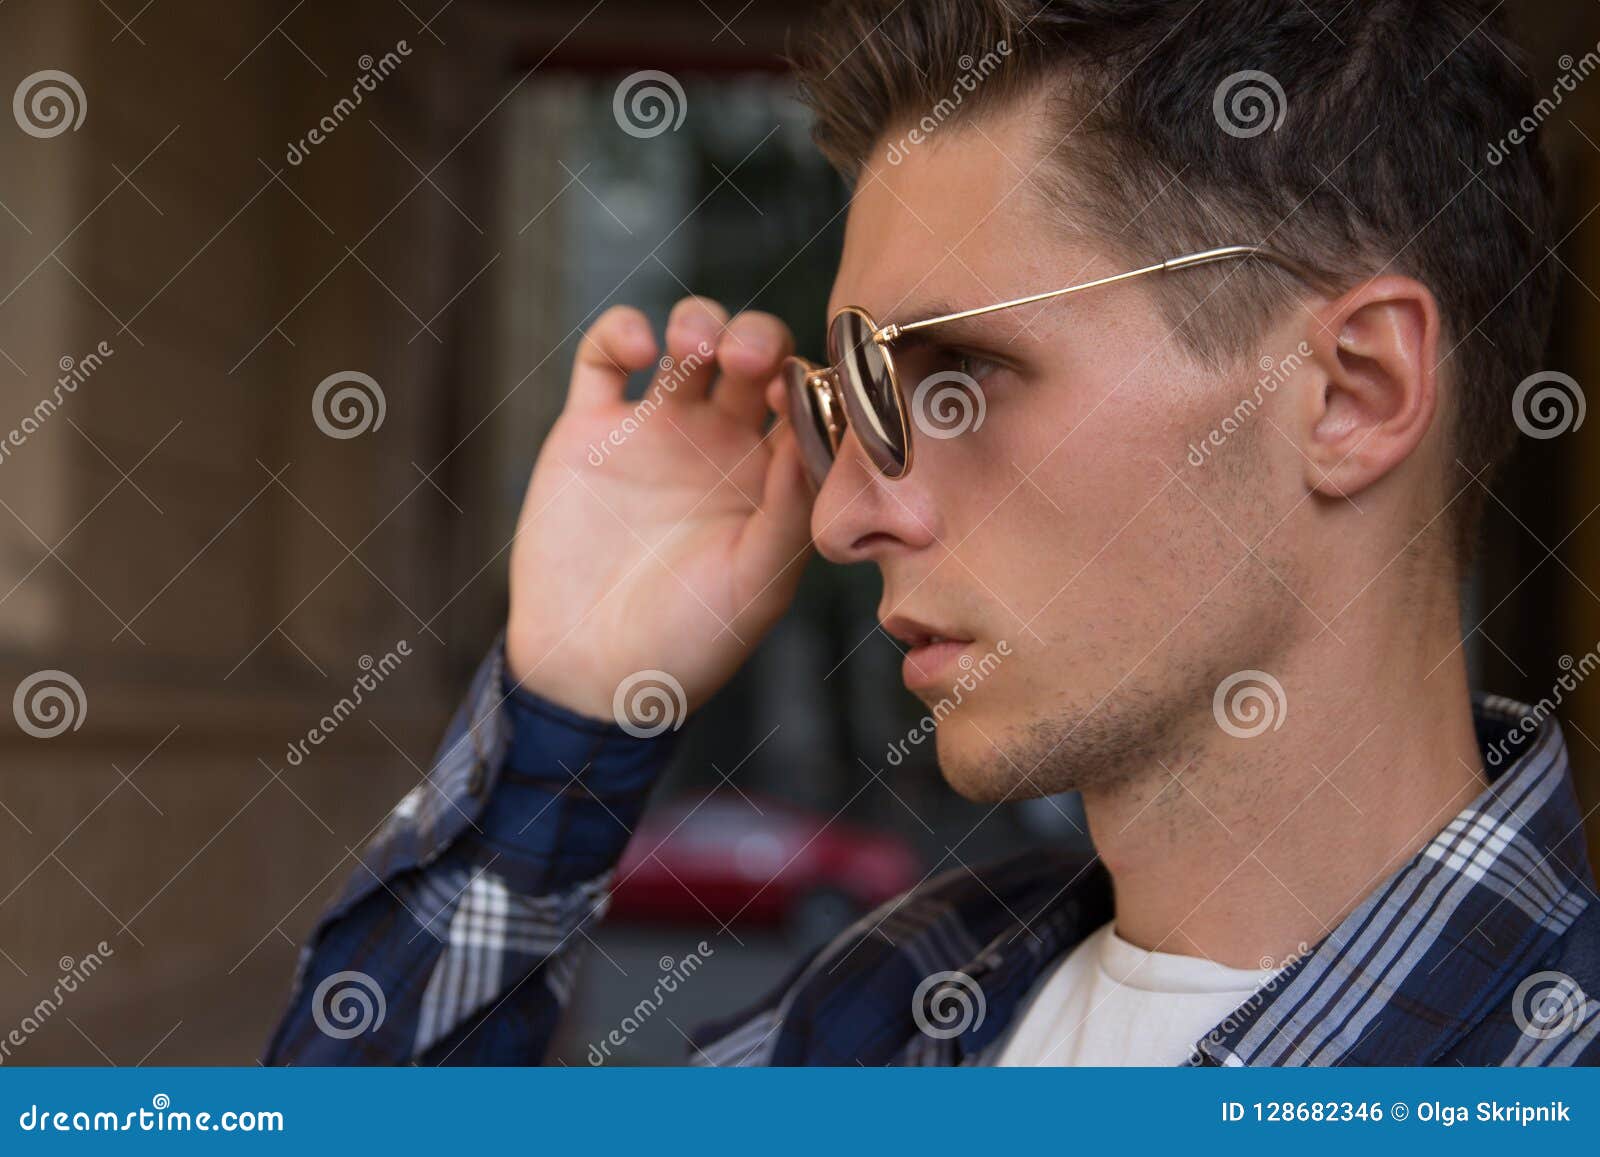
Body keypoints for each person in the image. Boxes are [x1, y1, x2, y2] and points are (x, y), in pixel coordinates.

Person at [267, 0, 1600, 1066]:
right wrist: (574, 711)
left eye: (955, 377)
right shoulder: (883, 1006)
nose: (844, 512)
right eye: (850, 402)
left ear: (1353, 390)